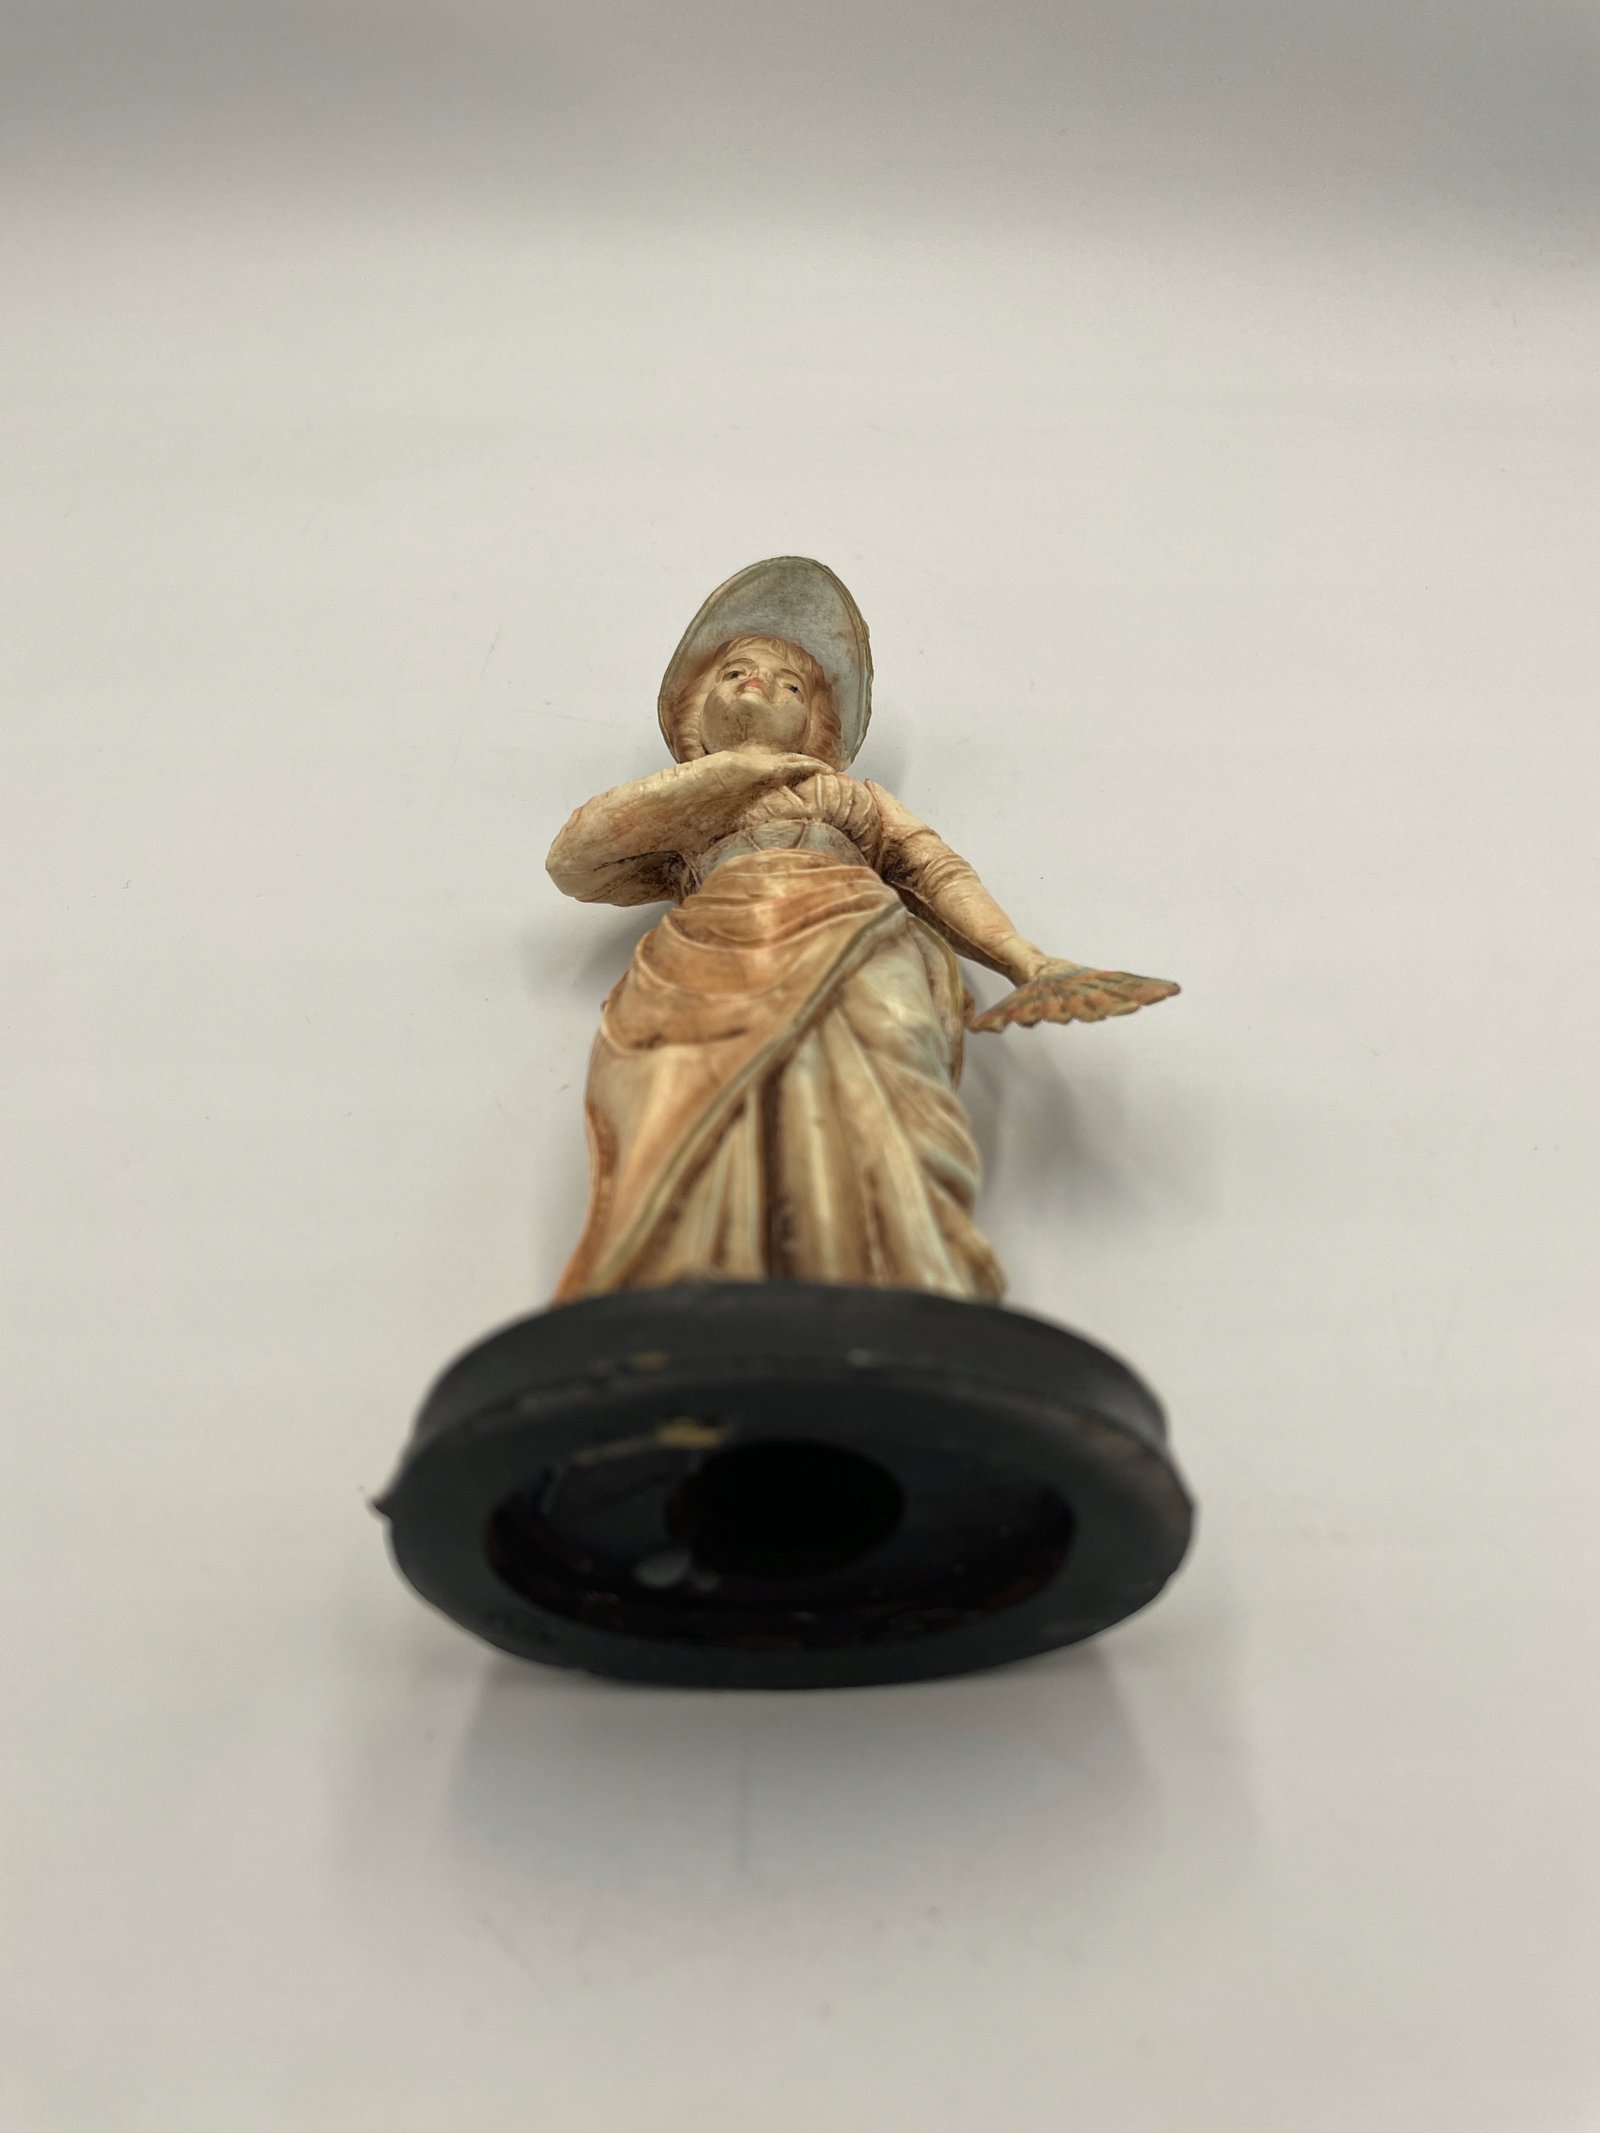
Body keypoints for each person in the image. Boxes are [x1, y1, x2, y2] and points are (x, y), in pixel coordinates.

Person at [545, 557, 1175, 1304]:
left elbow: (936, 874)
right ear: (692, 713)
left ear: (818, 725)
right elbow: (576, 859)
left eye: (790, 685)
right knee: (669, 1088)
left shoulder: (852, 800)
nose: (759, 685)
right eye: (735, 673)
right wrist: (733, 771)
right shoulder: (686, 808)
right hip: (705, 955)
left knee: (894, 1058)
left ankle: (897, 1281)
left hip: (857, 938)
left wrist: (1025, 960)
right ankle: (683, 1287)